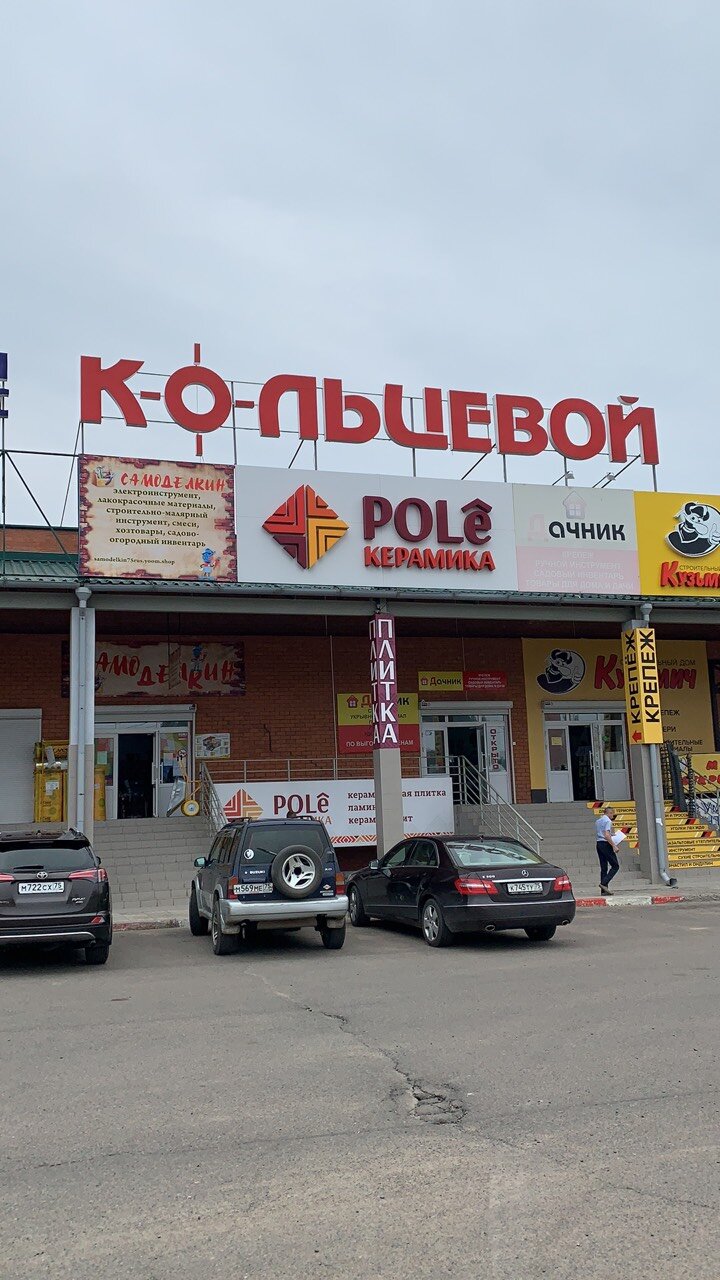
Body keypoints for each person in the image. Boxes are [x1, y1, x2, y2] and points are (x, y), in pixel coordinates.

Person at [595, 807, 620, 895]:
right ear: (609, 813)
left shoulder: (598, 821)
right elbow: (606, 835)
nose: (613, 815)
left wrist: (611, 834)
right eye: (612, 813)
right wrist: (614, 845)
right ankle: (603, 883)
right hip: (606, 844)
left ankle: (604, 891)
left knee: (604, 867)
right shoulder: (608, 821)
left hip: (599, 843)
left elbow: (602, 833)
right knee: (615, 866)